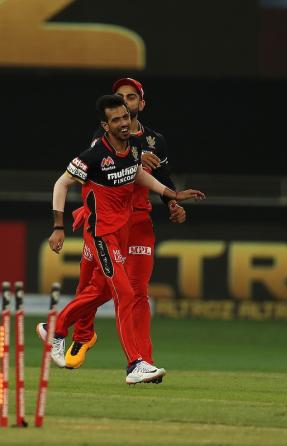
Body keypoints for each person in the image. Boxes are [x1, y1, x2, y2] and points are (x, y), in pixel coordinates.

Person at [38, 95, 204, 384]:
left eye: (125, 117)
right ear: (106, 125)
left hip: (123, 231)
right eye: (116, 119)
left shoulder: (134, 149)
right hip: (103, 235)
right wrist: (58, 226)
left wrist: (172, 194)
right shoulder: (93, 155)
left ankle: (55, 329)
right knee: (126, 294)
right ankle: (135, 365)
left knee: (102, 292)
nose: (123, 123)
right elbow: (61, 183)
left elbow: (137, 174)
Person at [66, 77, 184, 371]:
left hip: (138, 219)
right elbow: (97, 166)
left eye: (131, 98)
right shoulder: (104, 135)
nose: (125, 103)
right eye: (119, 98)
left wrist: (172, 202)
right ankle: (82, 335)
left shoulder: (156, 140)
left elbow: (163, 180)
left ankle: (143, 360)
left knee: (135, 292)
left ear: (141, 104)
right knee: (92, 286)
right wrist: (135, 158)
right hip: (102, 221)